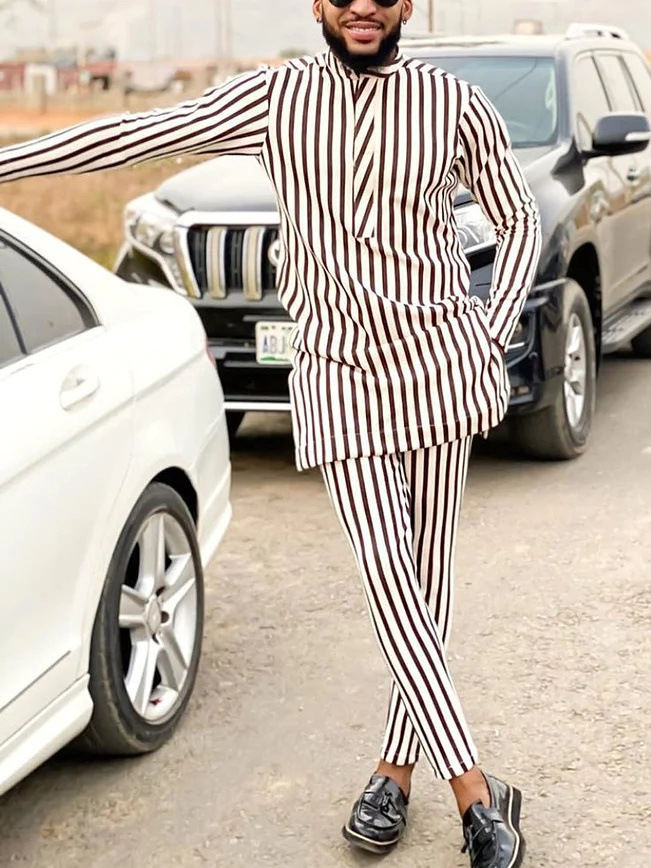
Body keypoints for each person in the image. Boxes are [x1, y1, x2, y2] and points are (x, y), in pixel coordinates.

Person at [0, 1, 541, 864]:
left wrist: (487, 328)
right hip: (337, 376)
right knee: (388, 582)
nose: (362, 5)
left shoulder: (454, 104)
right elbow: (135, 136)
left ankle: (393, 770)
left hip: (439, 367)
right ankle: (474, 791)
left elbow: (519, 220)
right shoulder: (275, 97)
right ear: (318, 5)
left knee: (423, 586)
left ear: (404, 4)